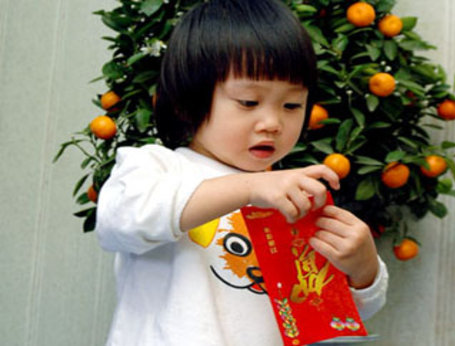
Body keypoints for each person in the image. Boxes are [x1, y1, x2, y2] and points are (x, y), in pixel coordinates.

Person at [96, 0, 388, 345]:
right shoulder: (157, 168)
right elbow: (123, 219)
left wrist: (363, 269)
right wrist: (250, 187)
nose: (273, 123)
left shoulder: (287, 193)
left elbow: (325, 312)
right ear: (187, 102)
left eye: (292, 105)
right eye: (249, 102)